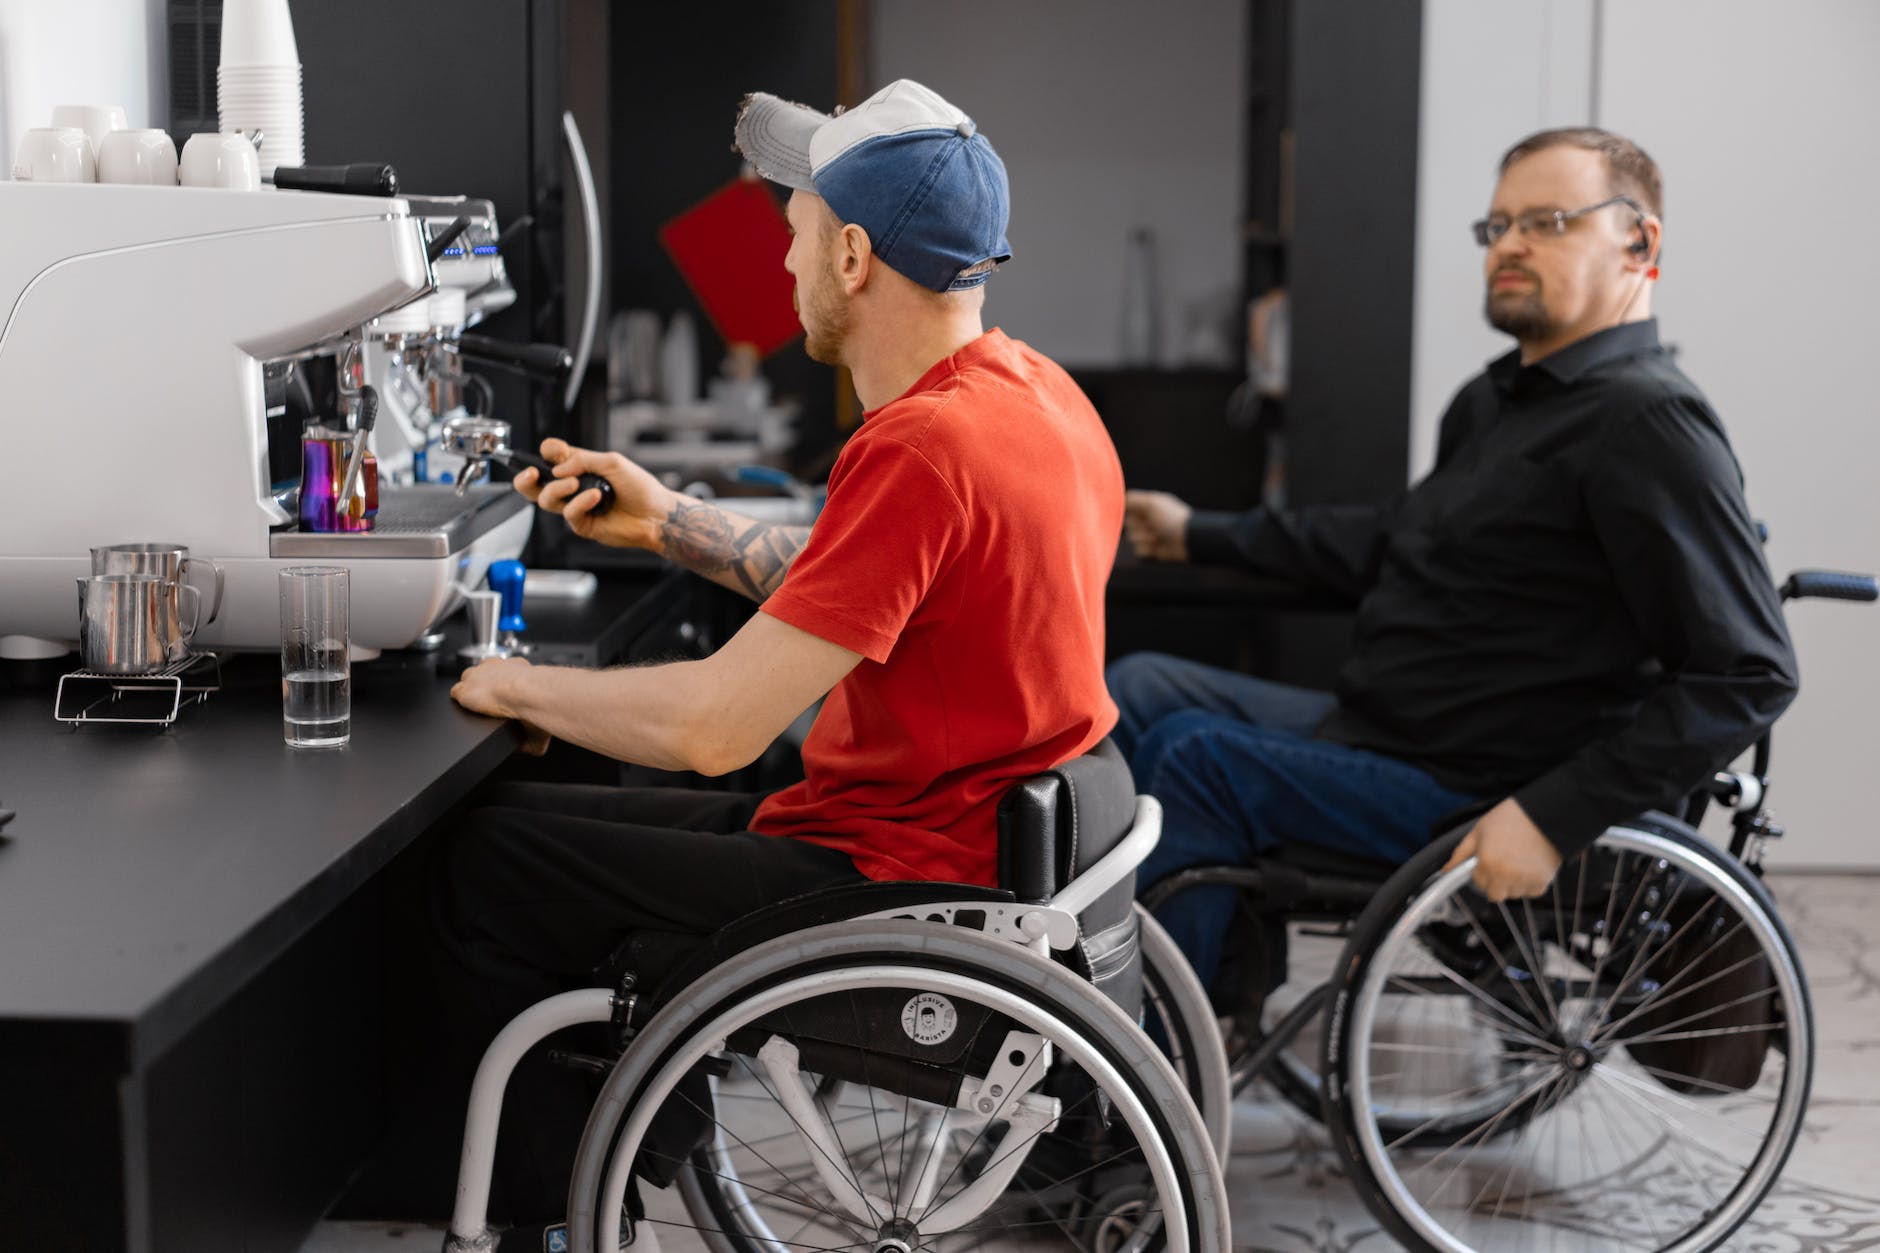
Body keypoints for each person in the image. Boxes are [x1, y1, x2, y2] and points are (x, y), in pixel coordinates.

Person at [432, 78, 1124, 1228]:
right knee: (551, 823)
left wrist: (512, 681)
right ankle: (628, 1133)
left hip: (897, 883)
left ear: (852, 254)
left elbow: (712, 730)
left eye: (795, 234)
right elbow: (872, 590)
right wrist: (669, 522)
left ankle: (546, 1206)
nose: (782, 266)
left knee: (489, 861)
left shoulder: (917, 445)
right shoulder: (1032, 395)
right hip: (965, 845)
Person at [1111, 127, 1798, 990]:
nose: (1509, 244)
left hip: (1481, 784)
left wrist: (1550, 819)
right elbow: (1391, 539)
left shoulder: (1647, 425)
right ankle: (1194, 986)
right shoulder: (1497, 401)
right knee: (1136, 689)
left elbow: (1749, 672)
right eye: (1498, 225)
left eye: (1547, 221)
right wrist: (1197, 532)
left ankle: (1155, 1060)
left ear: (1640, 244)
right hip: (1390, 729)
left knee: (1192, 759)